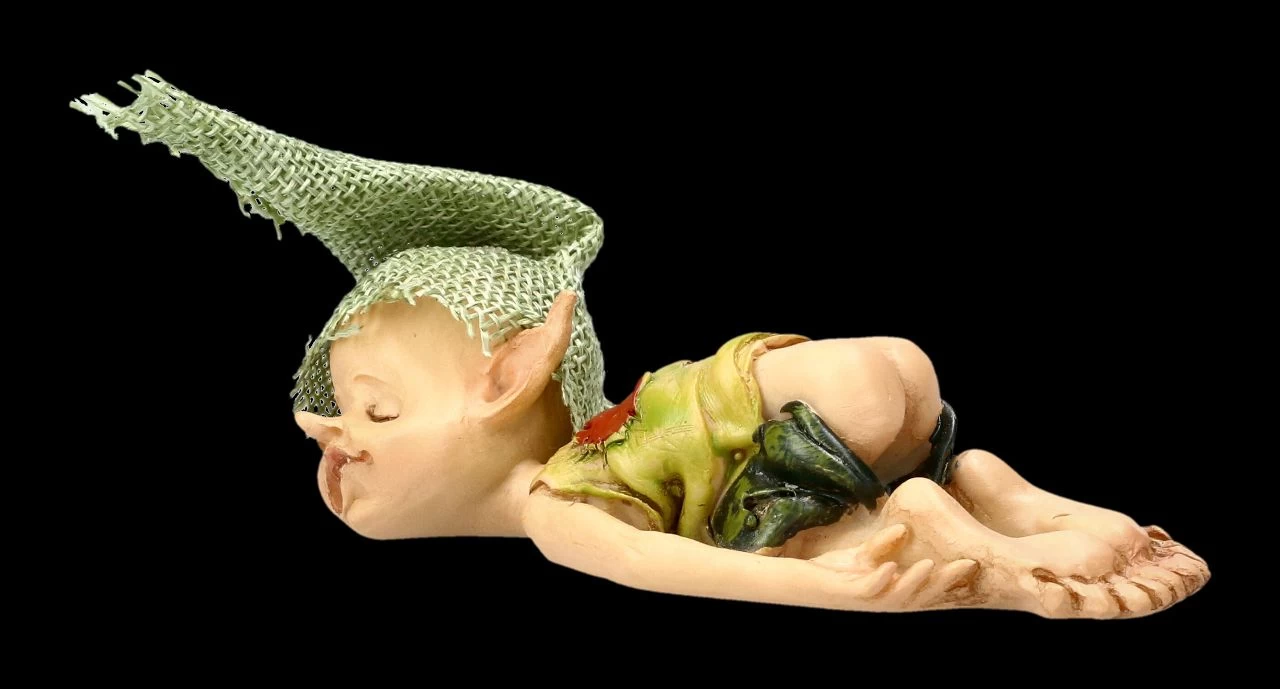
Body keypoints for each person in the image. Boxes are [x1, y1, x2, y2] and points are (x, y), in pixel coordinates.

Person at [72, 72, 1209, 618]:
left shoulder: (554, 503)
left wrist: (841, 596)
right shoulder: (610, 436)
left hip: (792, 423)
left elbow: (678, 564)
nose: (330, 430)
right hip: (831, 389)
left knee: (812, 541)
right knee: (875, 454)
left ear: (511, 379)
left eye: (377, 408)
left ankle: (953, 530)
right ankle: (970, 480)